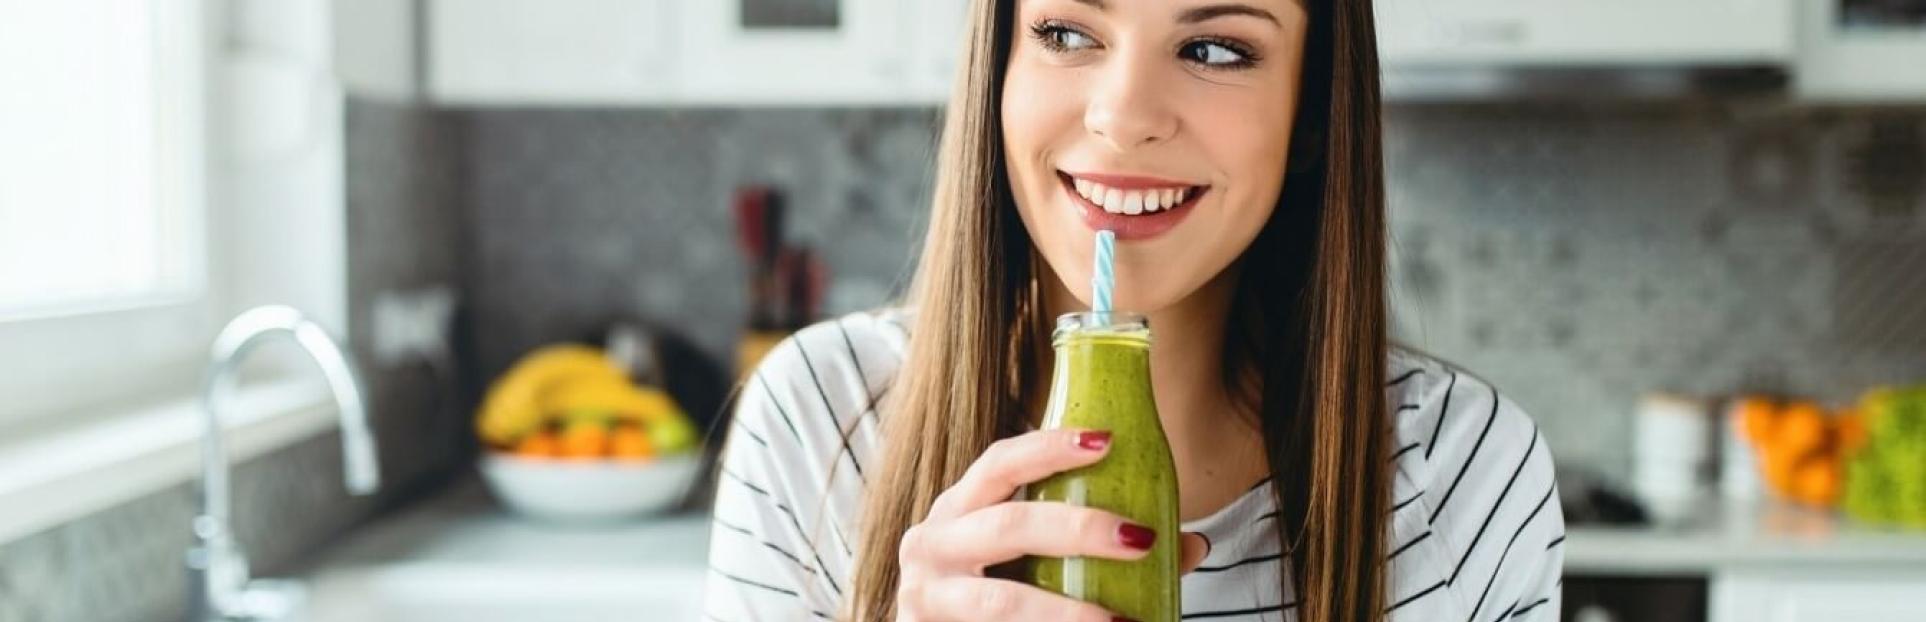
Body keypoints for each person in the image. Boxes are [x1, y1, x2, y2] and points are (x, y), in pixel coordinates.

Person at [704, 0, 1563, 620]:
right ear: (997, 70)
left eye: (1218, 49)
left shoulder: (1462, 476)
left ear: (1311, 113)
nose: (1123, 117)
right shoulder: (823, 424)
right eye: (1066, 32)